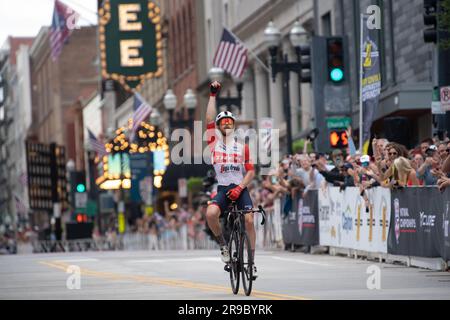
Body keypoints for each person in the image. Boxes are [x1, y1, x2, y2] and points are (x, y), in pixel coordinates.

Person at [204, 81, 258, 279]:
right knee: (211, 214)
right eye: (223, 123)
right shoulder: (214, 144)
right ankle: (224, 246)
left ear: (234, 126)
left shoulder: (242, 147)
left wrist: (241, 187)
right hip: (223, 189)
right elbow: (209, 118)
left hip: (240, 189)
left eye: (230, 122)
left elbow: (251, 171)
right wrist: (212, 95)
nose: (226, 124)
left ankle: (251, 262)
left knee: (250, 220)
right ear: (218, 127)